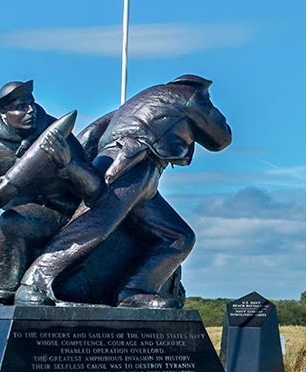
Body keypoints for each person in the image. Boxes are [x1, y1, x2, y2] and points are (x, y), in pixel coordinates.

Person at [18, 75, 231, 308]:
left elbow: (91, 133)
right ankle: (33, 283)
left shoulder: (140, 101)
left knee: (179, 237)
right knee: (94, 224)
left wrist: (85, 165)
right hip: (129, 164)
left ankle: (134, 292)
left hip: (139, 170)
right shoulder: (192, 96)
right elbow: (220, 138)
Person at [0, 81, 103, 303]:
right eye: (21, 107)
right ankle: (0, 291)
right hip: (22, 210)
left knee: (12, 222)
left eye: (31, 104)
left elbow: (94, 187)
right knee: (14, 219)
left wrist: (68, 165)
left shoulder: (55, 133)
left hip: (64, 214)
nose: (30, 110)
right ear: (4, 113)